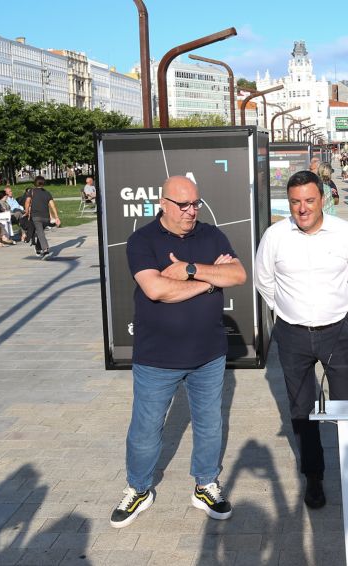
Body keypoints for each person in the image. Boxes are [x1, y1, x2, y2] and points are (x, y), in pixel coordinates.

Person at [110, 176, 247, 529]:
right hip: (156, 358)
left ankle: (205, 484)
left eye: (195, 204)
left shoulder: (212, 235)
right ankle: (138, 488)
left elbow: (238, 275)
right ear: (163, 203)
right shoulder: (142, 240)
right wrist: (209, 281)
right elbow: (155, 290)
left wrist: (188, 271)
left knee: (209, 423)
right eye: (182, 205)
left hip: (209, 354)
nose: (191, 211)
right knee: (145, 428)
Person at [254, 170, 348, 509]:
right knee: (302, 411)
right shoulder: (275, 236)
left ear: (322, 199)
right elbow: (264, 282)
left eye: (308, 200)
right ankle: (314, 477)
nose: (302, 208)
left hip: (336, 331)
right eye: (294, 202)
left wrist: (334, 307)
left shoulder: (346, 235)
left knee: (347, 408)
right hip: (291, 334)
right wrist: (288, 311)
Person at [24, 176, 61, 259]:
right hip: (46, 217)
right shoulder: (47, 193)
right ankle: (38, 248)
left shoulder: (31, 191)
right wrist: (56, 217)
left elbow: (27, 201)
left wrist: (26, 211)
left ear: (35, 183)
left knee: (40, 233)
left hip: (36, 216)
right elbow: (52, 206)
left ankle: (46, 250)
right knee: (39, 233)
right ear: (43, 183)